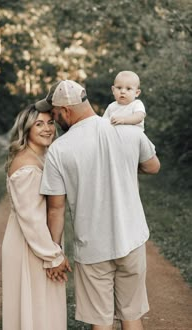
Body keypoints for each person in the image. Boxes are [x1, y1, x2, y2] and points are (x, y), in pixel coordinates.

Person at [35, 80, 160, 330]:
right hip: (132, 238)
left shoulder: (59, 150)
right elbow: (153, 166)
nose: (55, 119)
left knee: (100, 321)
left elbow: (56, 209)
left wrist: (54, 254)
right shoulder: (129, 130)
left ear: (67, 111)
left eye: (55, 113)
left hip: (93, 249)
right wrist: (123, 165)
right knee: (131, 314)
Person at [2, 104, 71, 330]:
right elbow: (31, 218)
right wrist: (53, 256)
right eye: (38, 124)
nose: (47, 129)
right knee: (36, 306)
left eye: (50, 122)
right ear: (27, 129)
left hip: (40, 240)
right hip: (29, 243)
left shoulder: (44, 156)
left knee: (44, 305)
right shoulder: (26, 164)